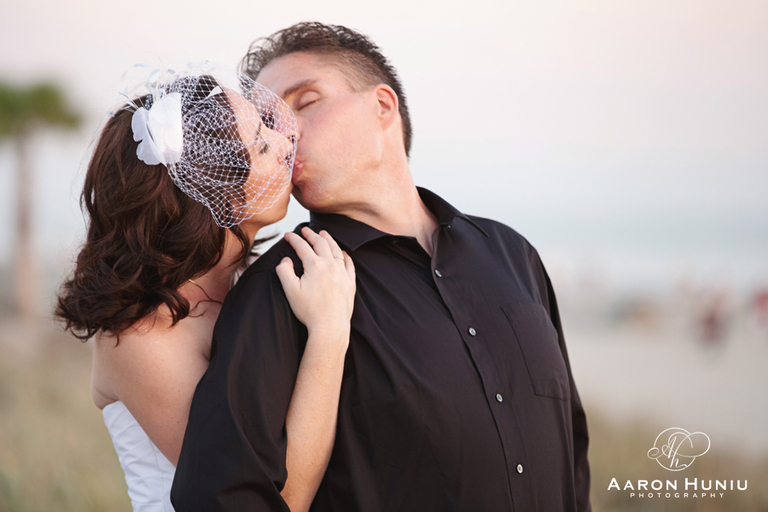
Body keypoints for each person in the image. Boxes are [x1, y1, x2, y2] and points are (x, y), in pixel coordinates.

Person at [172, 23, 591, 512]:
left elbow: (571, 448)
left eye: (305, 102)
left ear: (382, 106)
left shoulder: (510, 252)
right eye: (269, 121)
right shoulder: (286, 282)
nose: (285, 131)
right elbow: (221, 495)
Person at [55, 66, 356, 512]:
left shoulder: (262, 280)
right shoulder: (140, 337)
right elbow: (270, 499)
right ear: (211, 190)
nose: (285, 143)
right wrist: (330, 334)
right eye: (261, 143)